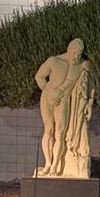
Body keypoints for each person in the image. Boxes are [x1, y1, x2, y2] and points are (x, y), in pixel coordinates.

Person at [34, 38, 90, 176]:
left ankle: (54, 166)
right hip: (48, 97)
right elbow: (39, 77)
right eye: (74, 52)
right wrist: (47, 89)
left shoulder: (82, 65)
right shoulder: (54, 61)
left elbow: (90, 83)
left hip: (64, 101)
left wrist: (89, 101)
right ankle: (48, 163)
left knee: (60, 132)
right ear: (69, 49)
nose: (76, 56)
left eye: (79, 53)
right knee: (49, 130)